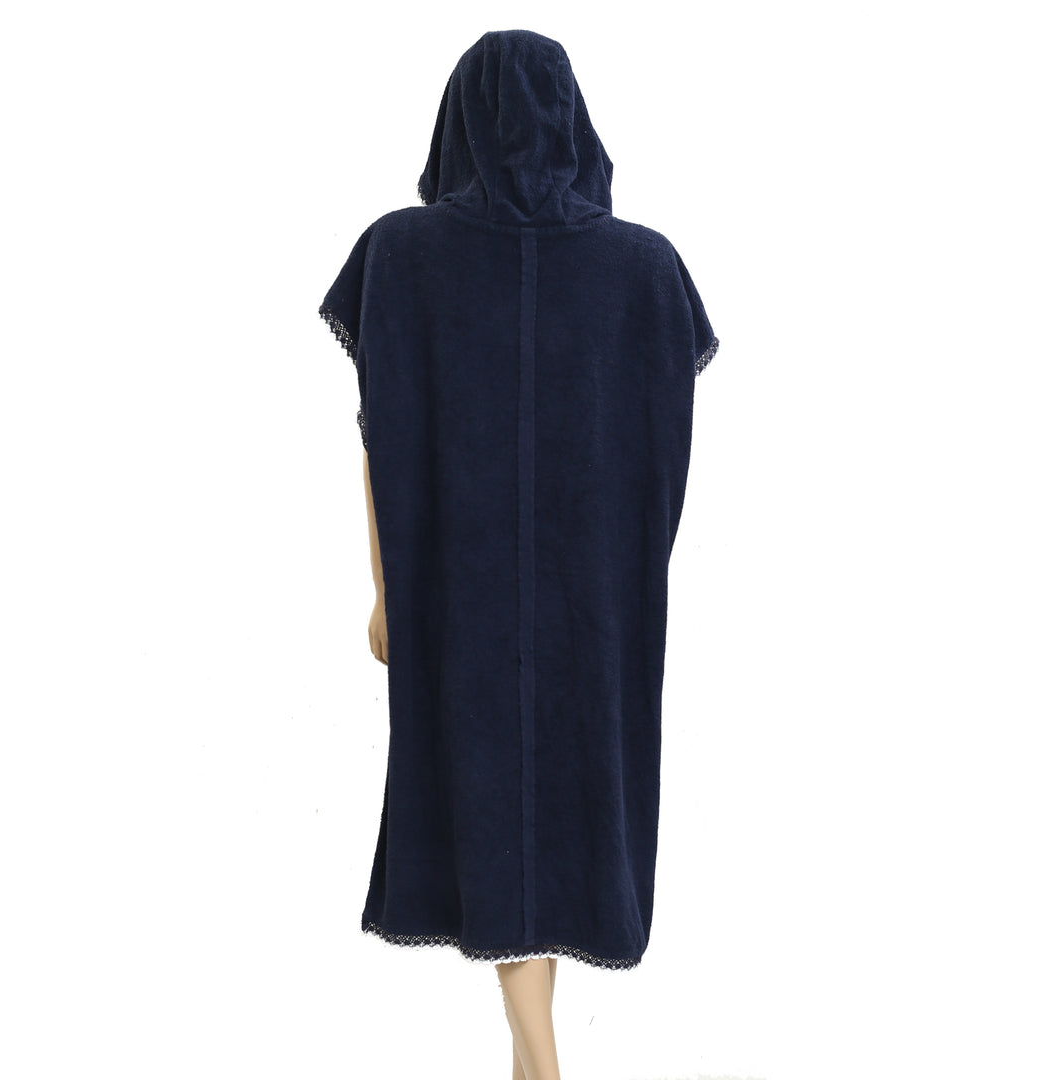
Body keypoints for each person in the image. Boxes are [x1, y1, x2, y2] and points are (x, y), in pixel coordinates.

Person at [319, 29, 720, 1079]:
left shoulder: (402, 255)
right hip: (596, 604)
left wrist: (387, 591)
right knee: (553, 806)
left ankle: (537, 1061)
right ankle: (537, 1058)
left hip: (461, 596)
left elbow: (377, 438)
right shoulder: (647, 270)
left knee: (493, 802)